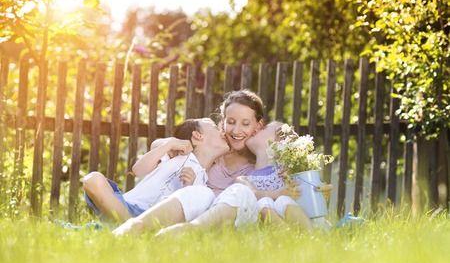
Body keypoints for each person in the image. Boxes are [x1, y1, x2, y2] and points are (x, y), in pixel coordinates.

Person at [113, 89, 266, 236]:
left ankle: (187, 230)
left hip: (224, 220)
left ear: (258, 125)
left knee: (241, 191)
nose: (236, 130)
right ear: (223, 122)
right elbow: (159, 146)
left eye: (245, 124)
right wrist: (171, 142)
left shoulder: (258, 162)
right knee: (202, 193)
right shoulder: (214, 149)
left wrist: (260, 149)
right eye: (231, 122)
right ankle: (138, 227)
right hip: (190, 211)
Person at [83, 118, 230, 224]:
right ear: (198, 136)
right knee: (92, 179)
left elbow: (183, 209)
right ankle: (130, 225)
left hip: (153, 219)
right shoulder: (174, 155)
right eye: (215, 128)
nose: (221, 131)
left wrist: (188, 187)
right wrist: (170, 143)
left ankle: (128, 226)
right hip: (125, 205)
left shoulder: (203, 186)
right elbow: (138, 170)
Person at [234, 121, 314, 231]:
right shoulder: (243, 179)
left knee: (283, 200)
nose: (256, 129)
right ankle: (289, 237)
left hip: (291, 212)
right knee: (263, 202)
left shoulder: (287, 170)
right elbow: (253, 194)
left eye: (264, 128)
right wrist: (278, 193)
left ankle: (311, 235)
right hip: (261, 224)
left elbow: (310, 187)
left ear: (279, 140)